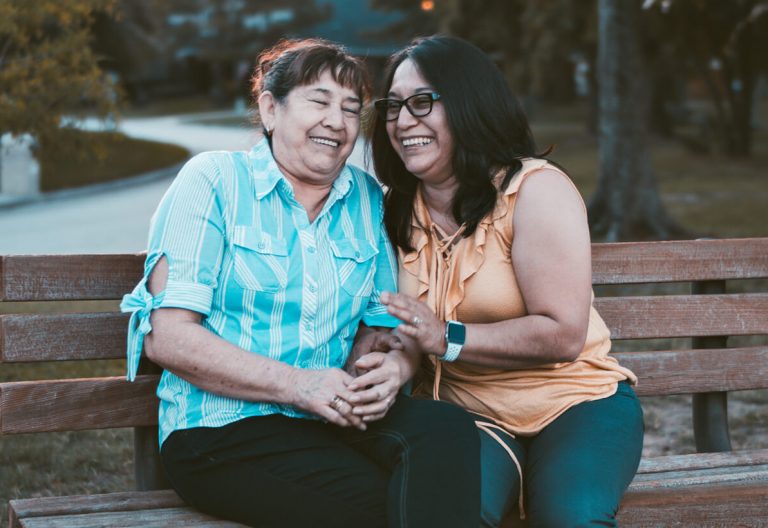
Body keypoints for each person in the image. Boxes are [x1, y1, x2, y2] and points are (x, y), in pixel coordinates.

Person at [120, 38, 480, 528]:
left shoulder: (367, 200)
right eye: (319, 100)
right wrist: (297, 385)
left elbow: (379, 326)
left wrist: (384, 369)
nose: (337, 121)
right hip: (220, 430)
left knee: (446, 431)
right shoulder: (213, 182)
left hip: (327, 419)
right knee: (386, 504)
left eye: (352, 109)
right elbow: (168, 336)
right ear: (271, 108)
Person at [369, 35, 644, 527]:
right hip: (467, 416)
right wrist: (391, 361)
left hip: (576, 406)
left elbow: (562, 333)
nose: (403, 120)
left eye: (422, 101)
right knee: (448, 513)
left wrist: (446, 337)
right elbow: (398, 325)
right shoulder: (391, 209)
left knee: (571, 518)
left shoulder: (535, 191)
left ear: (470, 104)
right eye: (393, 105)